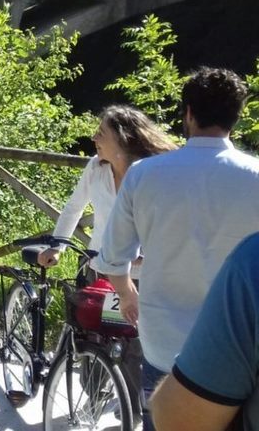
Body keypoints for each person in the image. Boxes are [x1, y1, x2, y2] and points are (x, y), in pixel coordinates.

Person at [96, 67, 259, 431]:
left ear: (187, 113)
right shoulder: (256, 176)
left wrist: (126, 295)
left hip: (163, 342)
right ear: (236, 115)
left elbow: (112, 256)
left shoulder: (144, 174)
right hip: (239, 350)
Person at [38, 104, 176, 420]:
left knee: (135, 344)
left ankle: (133, 408)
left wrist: (150, 249)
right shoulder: (95, 168)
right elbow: (74, 208)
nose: (94, 137)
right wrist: (57, 245)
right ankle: (100, 390)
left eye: (101, 132)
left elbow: (169, 219)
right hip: (100, 268)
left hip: (141, 274)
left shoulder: (154, 170)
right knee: (91, 335)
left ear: (122, 138)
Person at [149, 231, 259, 431]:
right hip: (208, 355)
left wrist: (123, 293)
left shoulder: (253, 258)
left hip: (170, 344)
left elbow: (179, 422)